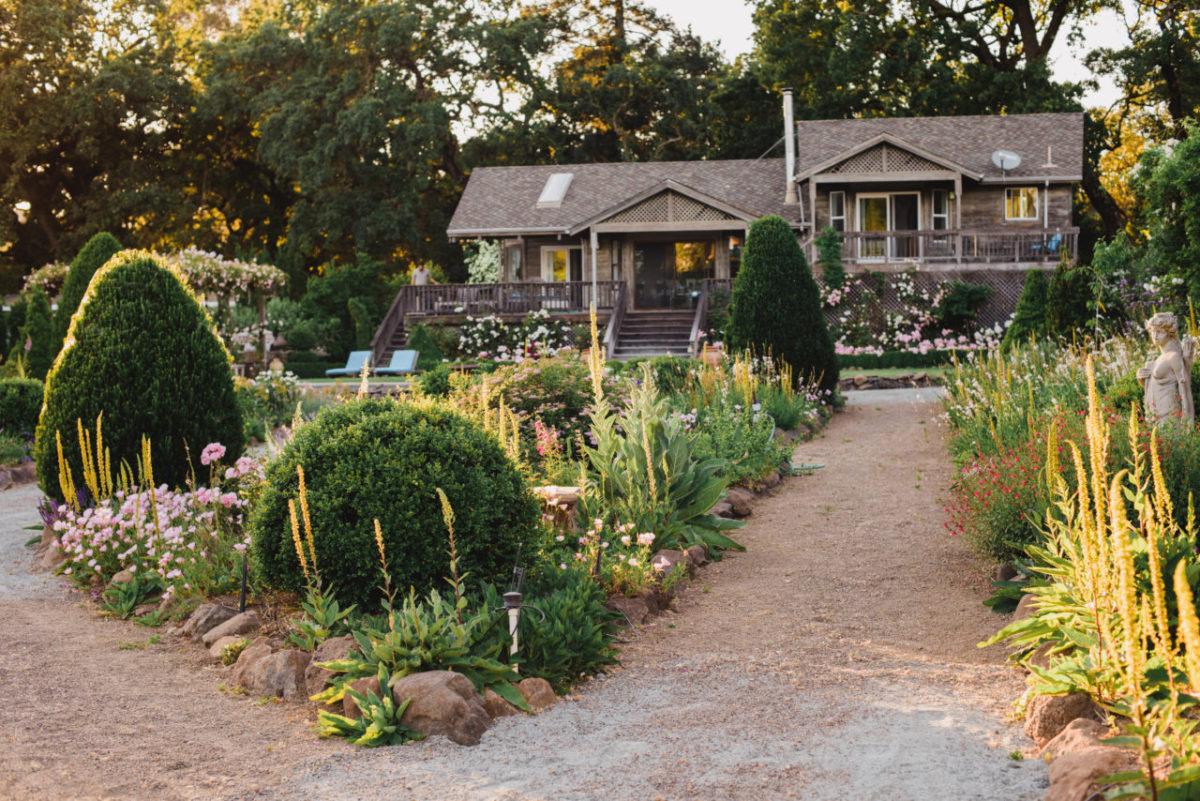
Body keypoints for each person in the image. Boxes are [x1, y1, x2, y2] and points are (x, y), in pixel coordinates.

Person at [1137, 311, 1195, 430]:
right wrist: (1142, 380)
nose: (1155, 336)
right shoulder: (1159, 359)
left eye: (1159, 332)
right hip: (1155, 417)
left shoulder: (1173, 356)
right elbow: (1157, 387)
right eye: (1152, 331)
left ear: (1169, 333)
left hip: (1169, 417)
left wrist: (1188, 424)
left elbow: (1185, 389)